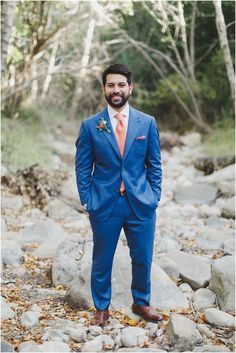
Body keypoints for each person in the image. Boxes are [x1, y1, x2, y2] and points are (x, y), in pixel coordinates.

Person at [75, 63, 162, 327]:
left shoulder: (147, 123)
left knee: (143, 257)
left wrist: (154, 196)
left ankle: (141, 302)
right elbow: (82, 166)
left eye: (121, 84)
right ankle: (101, 307)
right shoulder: (91, 126)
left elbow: (154, 164)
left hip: (140, 203)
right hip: (104, 203)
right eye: (111, 85)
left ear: (130, 88)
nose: (116, 89)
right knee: (102, 258)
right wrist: (88, 199)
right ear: (104, 89)